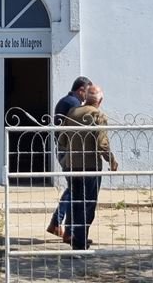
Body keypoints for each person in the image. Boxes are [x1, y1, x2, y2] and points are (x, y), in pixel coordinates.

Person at [58, 85, 119, 250]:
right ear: (100, 100)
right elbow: (102, 144)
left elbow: (62, 139)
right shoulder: (97, 115)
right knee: (88, 205)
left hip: (72, 165)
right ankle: (80, 242)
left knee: (76, 202)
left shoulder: (73, 112)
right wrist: (111, 161)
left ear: (85, 98)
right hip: (90, 167)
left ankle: (76, 238)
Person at [46, 76, 93, 239]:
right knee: (75, 188)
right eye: (88, 92)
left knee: (74, 188)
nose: (88, 96)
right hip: (68, 150)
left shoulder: (66, 101)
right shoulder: (73, 104)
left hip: (64, 149)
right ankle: (62, 227)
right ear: (81, 90)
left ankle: (62, 227)